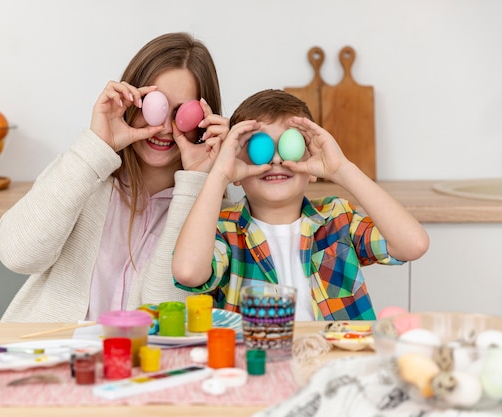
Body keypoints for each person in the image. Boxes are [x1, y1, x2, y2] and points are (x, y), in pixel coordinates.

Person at [0, 32, 229, 322]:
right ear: (130, 100)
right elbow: (18, 255)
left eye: (184, 113)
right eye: (154, 105)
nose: (167, 128)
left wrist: (195, 182)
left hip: (143, 364)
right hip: (50, 356)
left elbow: (167, 316)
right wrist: (96, 145)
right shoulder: (84, 173)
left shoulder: (211, 212)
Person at [172, 89, 429, 320]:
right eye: (258, 148)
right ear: (237, 169)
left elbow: (412, 245)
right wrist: (220, 174)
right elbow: (188, 272)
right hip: (260, 365)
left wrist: (341, 169)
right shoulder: (224, 231)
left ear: (313, 165)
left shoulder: (337, 219)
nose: (275, 159)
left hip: (334, 363)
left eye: (289, 146)